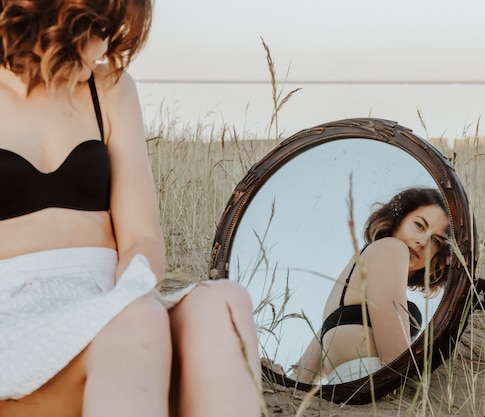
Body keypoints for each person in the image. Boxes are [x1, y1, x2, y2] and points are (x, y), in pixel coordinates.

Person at [0, 1, 260, 416]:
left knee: (223, 304)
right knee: (136, 322)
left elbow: (141, 236)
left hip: (111, 298)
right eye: (100, 27)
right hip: (15, 310)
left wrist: (128, 297)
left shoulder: (110, 89)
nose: (107, 45)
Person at [289, 188, 450, 384]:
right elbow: (396, 360)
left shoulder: (352, 283)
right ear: (399, 220)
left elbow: (300, 379)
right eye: (419, 225)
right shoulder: (391, 247)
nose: (422, 241)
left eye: (436, 241)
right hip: (379, 395)